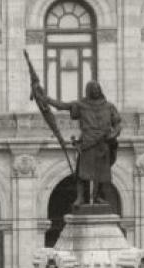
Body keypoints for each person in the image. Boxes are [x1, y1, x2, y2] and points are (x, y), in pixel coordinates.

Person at [35, 78, 121, 207]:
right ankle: (80, 198)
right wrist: (45, 99)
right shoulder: (81, 105)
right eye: (93, 89)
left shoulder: (109, 106)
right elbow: (62, 105)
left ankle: (97, 197)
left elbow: (118, 123)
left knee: (102, 173)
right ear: (88, 91)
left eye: (97, 89)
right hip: (88, 142)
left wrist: (114, 134)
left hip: (103, 142)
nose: (96, 91)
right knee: (82, 172)